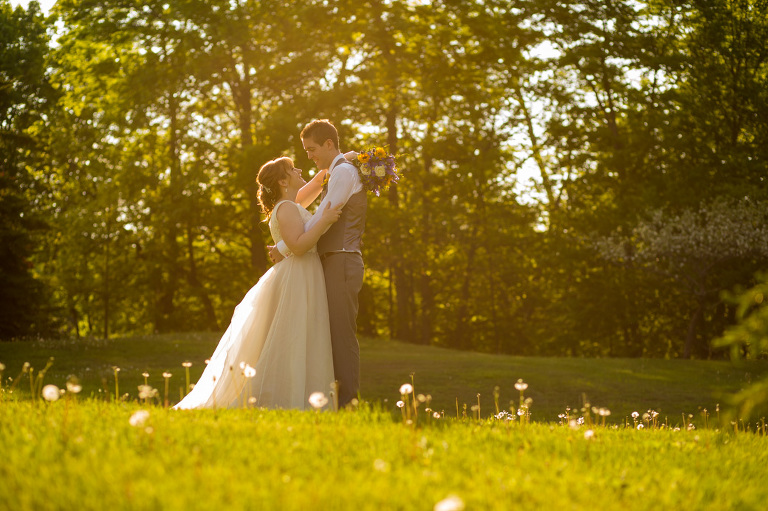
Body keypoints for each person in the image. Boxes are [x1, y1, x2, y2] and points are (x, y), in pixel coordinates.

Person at [174, 156, 342, 410]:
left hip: (305, 274)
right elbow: (297, 246)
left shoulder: (289, 204)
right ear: (283, 181)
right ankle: (285, 400)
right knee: (294, 335)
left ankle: (301, 397)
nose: (299, 170)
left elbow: (318, 182)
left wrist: (347, 159)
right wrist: (325, 220)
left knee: (303, 335)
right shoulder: (285, 207)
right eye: (292, 169)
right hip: (298, 275)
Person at [271, 119, 367, 407]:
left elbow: (326, 215)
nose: (308, 156)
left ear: (328, 144)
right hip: (332, 261)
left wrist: (286, 246)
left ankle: (348, 404)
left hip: (342, 260)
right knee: (329, 335)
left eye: (312, 149)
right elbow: (312, 208)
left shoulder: (343, 173)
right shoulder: (337, 171)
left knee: (341, 335)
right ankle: (337, 401)